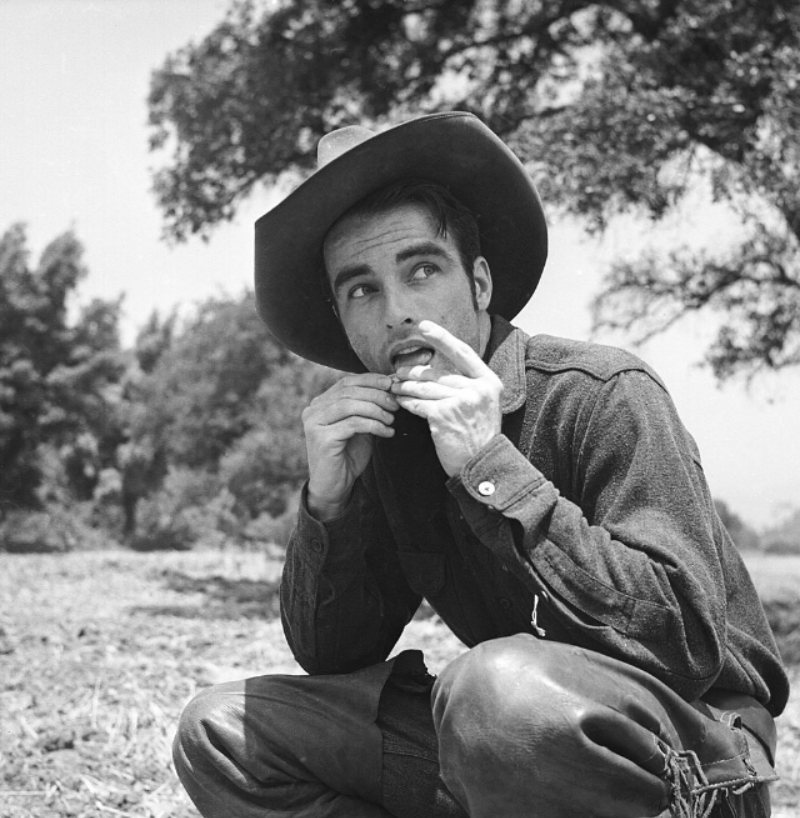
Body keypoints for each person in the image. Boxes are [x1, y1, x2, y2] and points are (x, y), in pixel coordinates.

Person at [172, 112, 789, 818]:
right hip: (498, 751)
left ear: (481, 283)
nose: (398, 312)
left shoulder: (605, 394)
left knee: (495, 691)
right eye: (362, 290)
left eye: (422, 270)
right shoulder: (388, 436)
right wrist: (329, 505)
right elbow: (334, 657)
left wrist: (488, 463)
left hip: (689, 763)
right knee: (221, 729)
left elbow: (686, 644)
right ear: (343, 320)